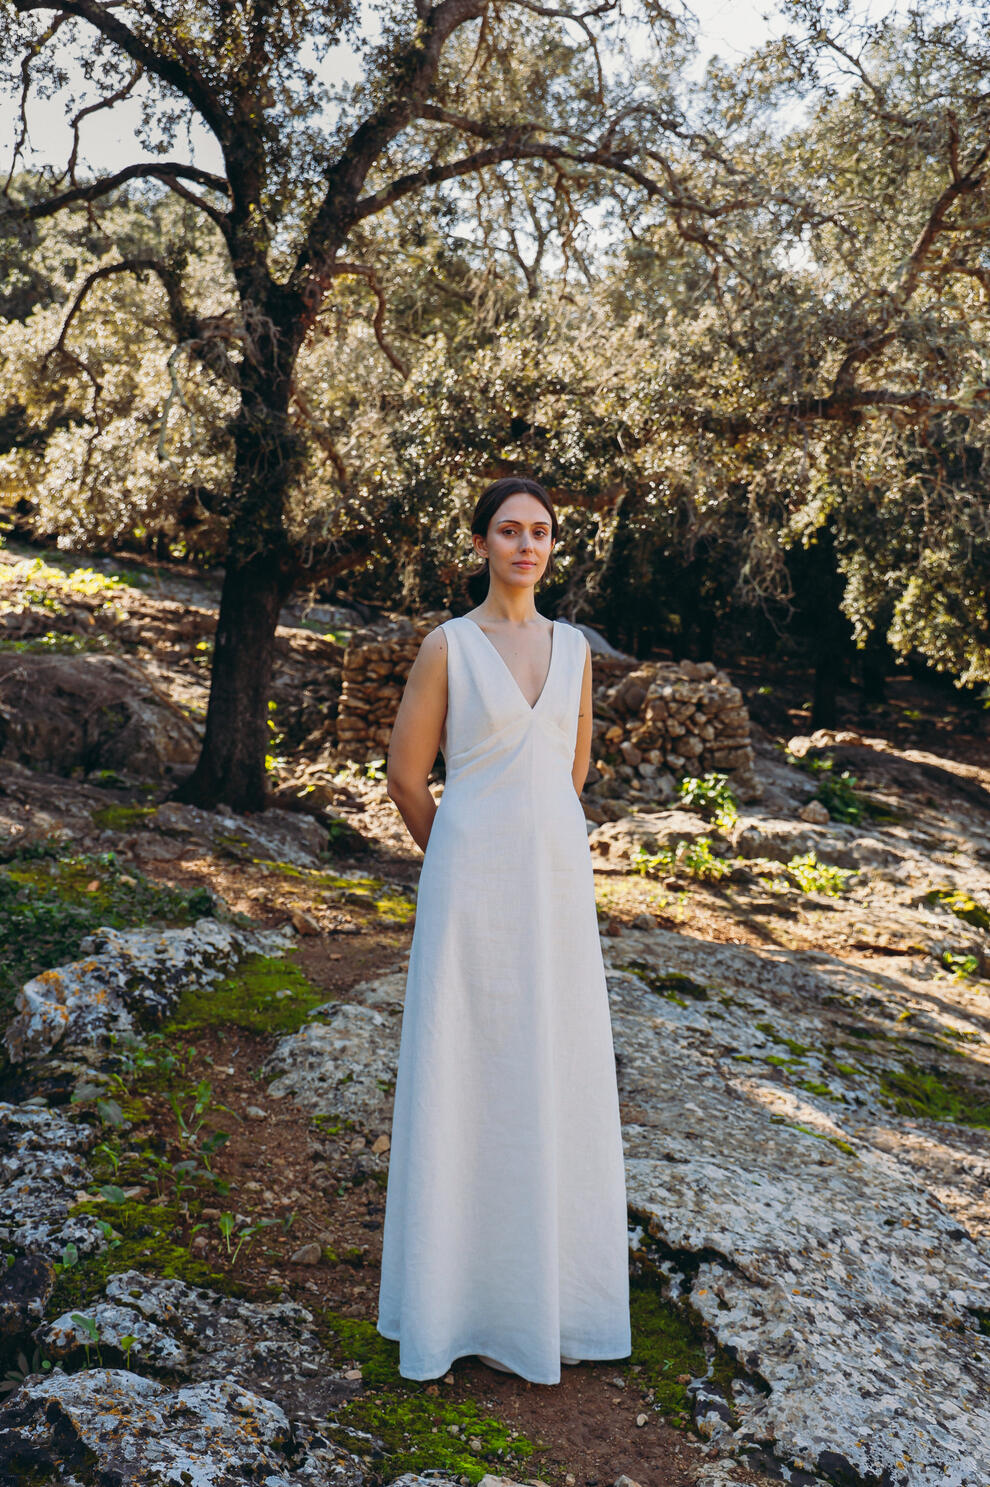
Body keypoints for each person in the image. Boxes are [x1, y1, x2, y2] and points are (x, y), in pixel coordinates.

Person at [375, 475, 631, 1384]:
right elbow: (407, 777)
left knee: (552, 1067)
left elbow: (570, 771)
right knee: (466, 1069)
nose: (527, 545)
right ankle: (452, 1305)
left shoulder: (575, 649)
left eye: (542, 532)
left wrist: (534, 847)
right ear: (481, 541)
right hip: (469, 887)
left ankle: (552, 1300)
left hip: (556, 884)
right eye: (511, 530)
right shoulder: (448, 645)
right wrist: (462, 856)